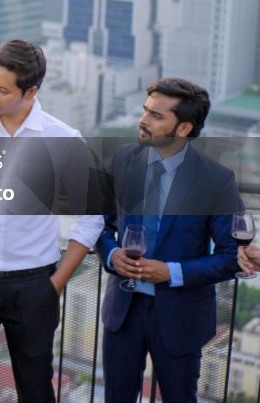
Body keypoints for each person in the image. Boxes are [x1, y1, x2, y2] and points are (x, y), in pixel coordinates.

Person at [0, 40, 104, 402]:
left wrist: (54, 284)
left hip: (34, 283)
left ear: (31, 91)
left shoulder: (64, 140)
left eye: (3, 89)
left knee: (36, 390)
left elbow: (91, 219)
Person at [96, 78, 239, 402]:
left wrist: (171, 272)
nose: (143, 121)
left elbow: (232, 256)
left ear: (184, 127)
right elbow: (99, 227)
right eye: (145, 111)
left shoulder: (216, 180)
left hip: (181, 317)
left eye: (156, 116)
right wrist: (112, 253)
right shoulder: (122, 160)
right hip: (123, 312)